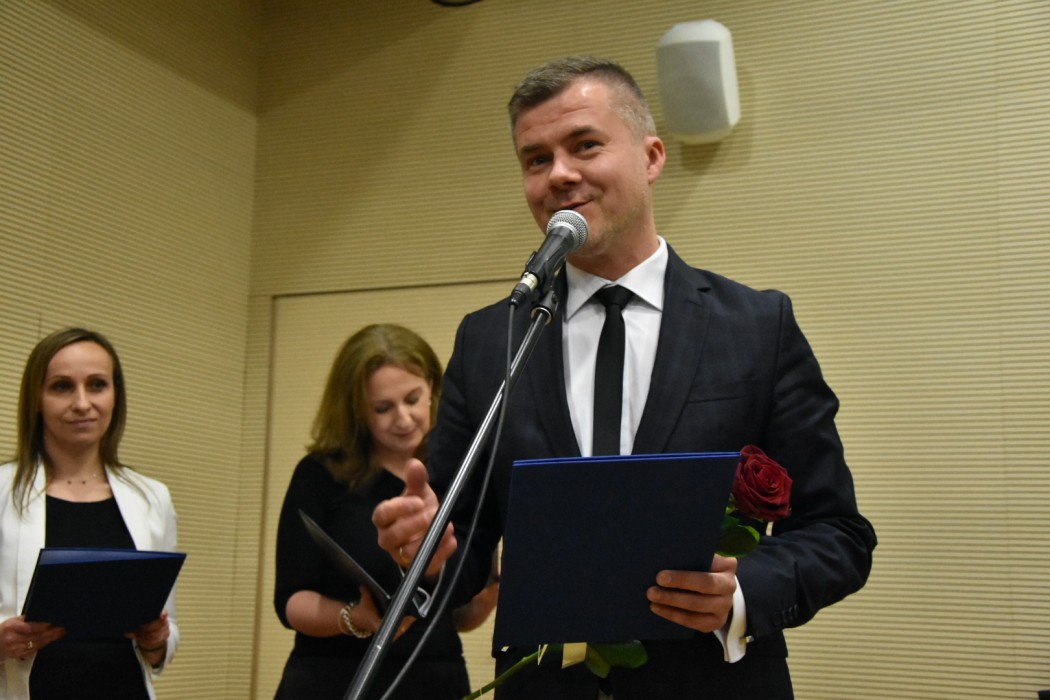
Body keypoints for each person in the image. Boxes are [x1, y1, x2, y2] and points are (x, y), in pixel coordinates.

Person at [373, 56, 877, 699]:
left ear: (652, 157)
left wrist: (743, 592)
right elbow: (462, 547)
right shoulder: (491, 339)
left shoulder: (756, 326)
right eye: (536, 159)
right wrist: (426, 551)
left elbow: (837, 532)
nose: (559, 174)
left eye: (584, 145)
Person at [273, 323, 494, 699]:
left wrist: (495, 589)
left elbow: (461, 614)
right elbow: (291, 599)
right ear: (356, 409)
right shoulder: (319, 474)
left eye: (413, 399)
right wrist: (352, 618)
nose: (404, 419)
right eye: (383, 408)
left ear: (432, 388)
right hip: (332, 675)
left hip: (432, 677)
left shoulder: (461, 472)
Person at [0, 327, 179, 700]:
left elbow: (166, 630)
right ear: (36, 399)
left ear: (115, 396)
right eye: (62, 386)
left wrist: (157, 640)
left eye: (97, 385)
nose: (82, 403)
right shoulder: (2, 492)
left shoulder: (151, 498)